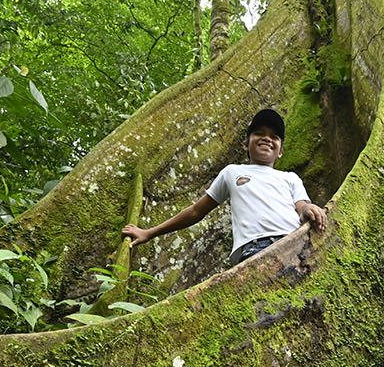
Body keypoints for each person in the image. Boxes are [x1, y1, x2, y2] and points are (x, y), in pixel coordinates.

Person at [122, 109, 328, 265]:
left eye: (274, 137)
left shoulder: (290, 178)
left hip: (295, 243)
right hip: (254, 249)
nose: (267, 138)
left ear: (280, 151)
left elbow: (301, 207)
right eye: (259, 133)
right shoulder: (232, 172)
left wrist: (309, 209)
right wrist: (149, 232)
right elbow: (195, 211)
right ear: (246, 144)